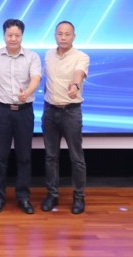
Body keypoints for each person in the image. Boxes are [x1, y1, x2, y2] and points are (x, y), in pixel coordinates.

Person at [0, 18, 42, 214]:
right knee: (0, 157)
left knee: (24, 156)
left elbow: (36, 78)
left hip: (24, 111)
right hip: (1, 111)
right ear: (4, 35)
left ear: (22, 36)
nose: (13, 38)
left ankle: (23, 197)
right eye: (10, 35)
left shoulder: (32, 57)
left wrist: (27, 92)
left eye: (17, 35)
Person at [41, 20, 90, 215]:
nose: (63, 37)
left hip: (71, 112)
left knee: (76, 157)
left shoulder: (81, 57)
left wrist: (75, 85)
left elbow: (79, 74)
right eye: (60, 34)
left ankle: (79, 197)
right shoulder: (48, 55)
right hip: (50, 111)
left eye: (67, 34)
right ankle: (52, 195)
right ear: (55, 35)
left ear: (74, 36)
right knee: (50, 156)